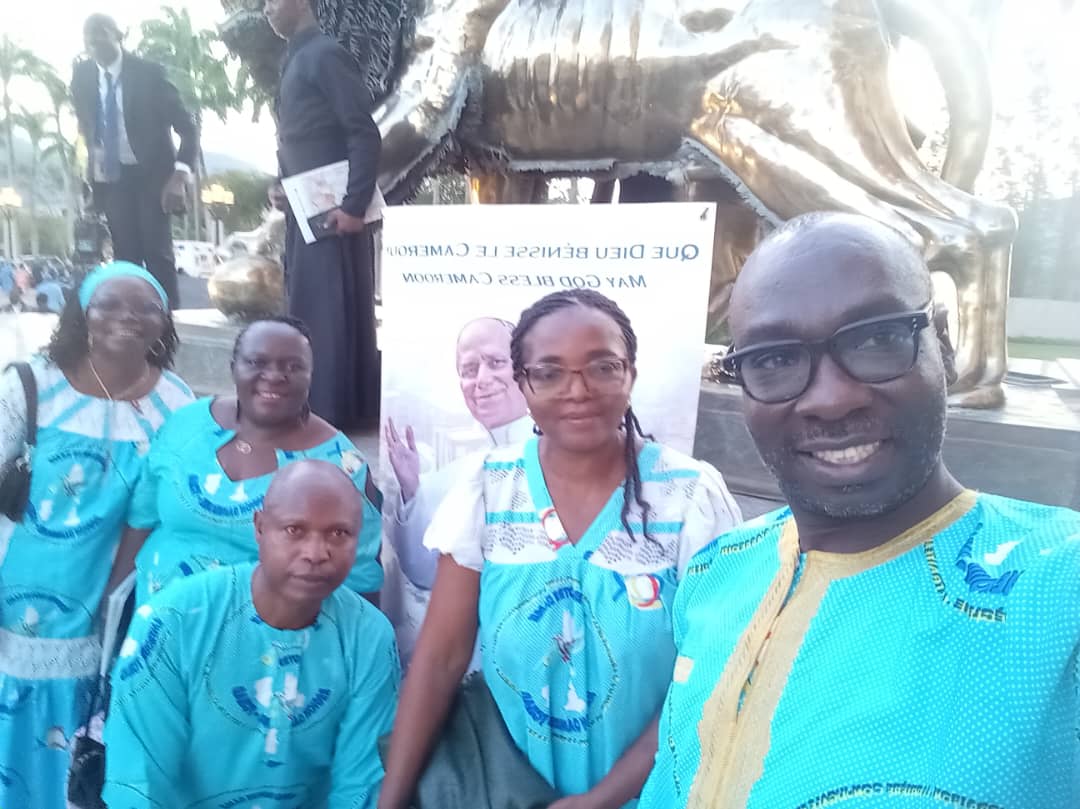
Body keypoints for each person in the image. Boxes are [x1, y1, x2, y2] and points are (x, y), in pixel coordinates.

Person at [638, 213, 1080, 809]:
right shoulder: (717, 569)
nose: (831, 398)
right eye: (774, 359)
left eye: (876, 339)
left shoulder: (1060, 586)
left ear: (943, 345)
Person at [377, 289, 742, 808]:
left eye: (602, 367)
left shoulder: (689, 497)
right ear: (524, 383)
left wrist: (603, 799)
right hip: (509, 794)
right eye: (549, 373)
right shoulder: (489, 490)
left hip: (655, 792)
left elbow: (711, 672)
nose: (578, 390)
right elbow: (440, 659)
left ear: (631, 373)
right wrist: (390, 800)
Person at [0, 261, 193, 809]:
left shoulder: (177, 403)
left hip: (111, 603)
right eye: (109, 303)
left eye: (146, 307)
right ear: (82, 313)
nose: (127, 317)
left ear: (164, 321)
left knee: (85, 736)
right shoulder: (32, 385)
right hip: (17, 595)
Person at [103, 460, 400, 808]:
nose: (316, 553)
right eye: (294, 530)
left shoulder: (368, 637)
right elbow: (139, 783)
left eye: (339, 534)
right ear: (260, 528)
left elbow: (360, 785)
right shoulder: (173, 622)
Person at [109, 315, 384, 608]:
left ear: (311, 374)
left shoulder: (339, 466)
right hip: (156, 619)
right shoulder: (188, 424)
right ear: (233, 368)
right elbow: (142, 517)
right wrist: (112, 601)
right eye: (256, 362)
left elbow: (361, 579)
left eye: (293, 366)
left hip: (265, 631)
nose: (275, 376)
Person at [382, 316, 533, 666]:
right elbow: (426, 573)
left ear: (525, 369)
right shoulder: (464, 472)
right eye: (469, 369)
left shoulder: (559, 455)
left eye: (496, 362)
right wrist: (412, 489)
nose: (482, 380)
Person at [265, 0, 382, 429]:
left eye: (271, 1)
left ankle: (329, 414)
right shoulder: (294, 59)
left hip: (333, 213)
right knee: (310, 306)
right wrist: (280, 184)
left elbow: (363, 131)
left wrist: (354, 205)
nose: (266, 10)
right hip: (304, 209)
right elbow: (299, 137)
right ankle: (320, 407)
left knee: (329, 310)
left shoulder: (326, 55)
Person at [71, 13, 198, 309]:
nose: (93, 41)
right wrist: (88, 176)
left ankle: (167, 320)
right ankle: (130, 319)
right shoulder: (82, 76)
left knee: (157, 252)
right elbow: (86, 127)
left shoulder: (148, 74)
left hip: (154, 176)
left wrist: (179, 177)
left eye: (101, 33)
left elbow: (187, 128)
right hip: (113, 178)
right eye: (88, 36)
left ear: (119, 35)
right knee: (124, 255)